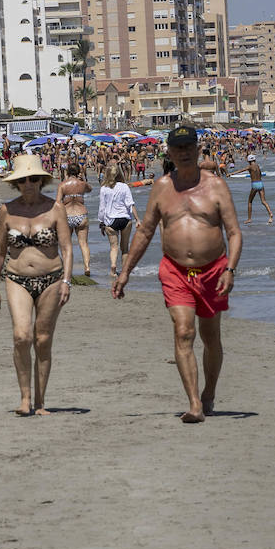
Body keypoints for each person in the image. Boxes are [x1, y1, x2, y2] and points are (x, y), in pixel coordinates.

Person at [111, 122, 243, 423]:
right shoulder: (161, 187)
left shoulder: (216, 186)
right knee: (184, 331)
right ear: (169, 151)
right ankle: (194, 403)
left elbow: (234, 233)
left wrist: (230, 269)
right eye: (177, 148)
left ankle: (209, 393)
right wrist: (125, 272)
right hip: (175, 271)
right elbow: (144, 232)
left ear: (197, 150)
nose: (183, 153)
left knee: (211, 337)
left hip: (213, 270)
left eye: (188, 148)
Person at [0, 155, 73, 416]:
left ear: (41, 181)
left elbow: (68, 248)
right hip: (17, 279)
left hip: (52, 279)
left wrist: (67, 281)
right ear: (16, 183)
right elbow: (0, 251)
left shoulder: (55, 208)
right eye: (23, 179)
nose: (28, 184)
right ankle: (24, 398)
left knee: (43, 340)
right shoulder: (7, 210)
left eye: (33, 179)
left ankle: (40, 402)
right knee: (21, 336)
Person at [97, 162, 141, 277]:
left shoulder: (104, 188)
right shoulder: (124, 186)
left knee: (113, 247)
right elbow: (130, 204)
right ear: (118, 173)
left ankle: (113, 267)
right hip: (125, 219)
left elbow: (102, 208)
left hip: (111, 221)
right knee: (125, 248)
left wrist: (101, 222)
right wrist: (138, 219)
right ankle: (125, 271)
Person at [57, 161, 95, 277]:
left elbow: (58, 202)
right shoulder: (82, 184)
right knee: (83, 243)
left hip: (67, 216)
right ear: (78, 172)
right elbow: (90, 189)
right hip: (81, 215)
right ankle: (87, 267)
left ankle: (66, 268)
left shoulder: (63, 185)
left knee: (66, 245)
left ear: (67, 171)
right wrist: (82, 178)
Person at [230, 153, 274, 224]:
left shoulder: (250, 167)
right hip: (261, 183)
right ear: (254, 160)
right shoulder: (258, 166)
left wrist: (231, 174)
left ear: (248, 161)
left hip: (255, 184)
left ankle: (249, 219)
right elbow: (260, 174)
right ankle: (270, 214)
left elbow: (241, 170)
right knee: (263, 201)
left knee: (250, 201)